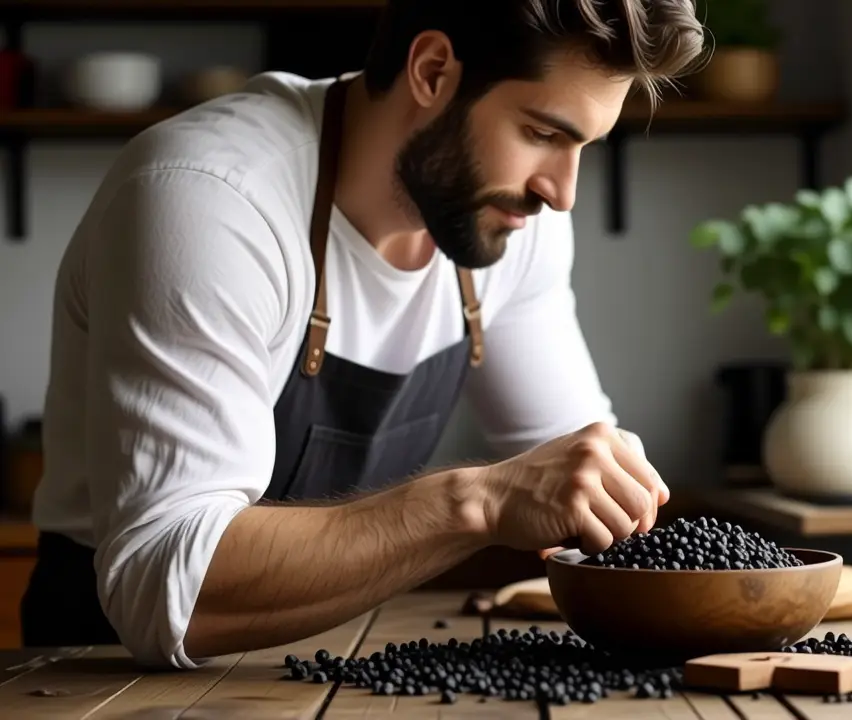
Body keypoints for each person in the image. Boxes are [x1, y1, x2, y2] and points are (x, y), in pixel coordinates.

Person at [20, 0, 706, 669]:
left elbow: (582, 478)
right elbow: (169, 584)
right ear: (433, 71)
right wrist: (479, 501)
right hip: (99, 670)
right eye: (543, 133)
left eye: (584, 144)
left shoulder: (513, 220)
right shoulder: (210, 197)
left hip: (322, 660)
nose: (562, 192)